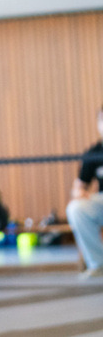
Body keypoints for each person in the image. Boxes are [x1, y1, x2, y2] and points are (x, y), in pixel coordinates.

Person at [66, 106, 103, 279]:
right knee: (77, 208)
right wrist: (79, 193)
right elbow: (79, 186)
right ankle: (98, 264)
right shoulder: (94, 152)